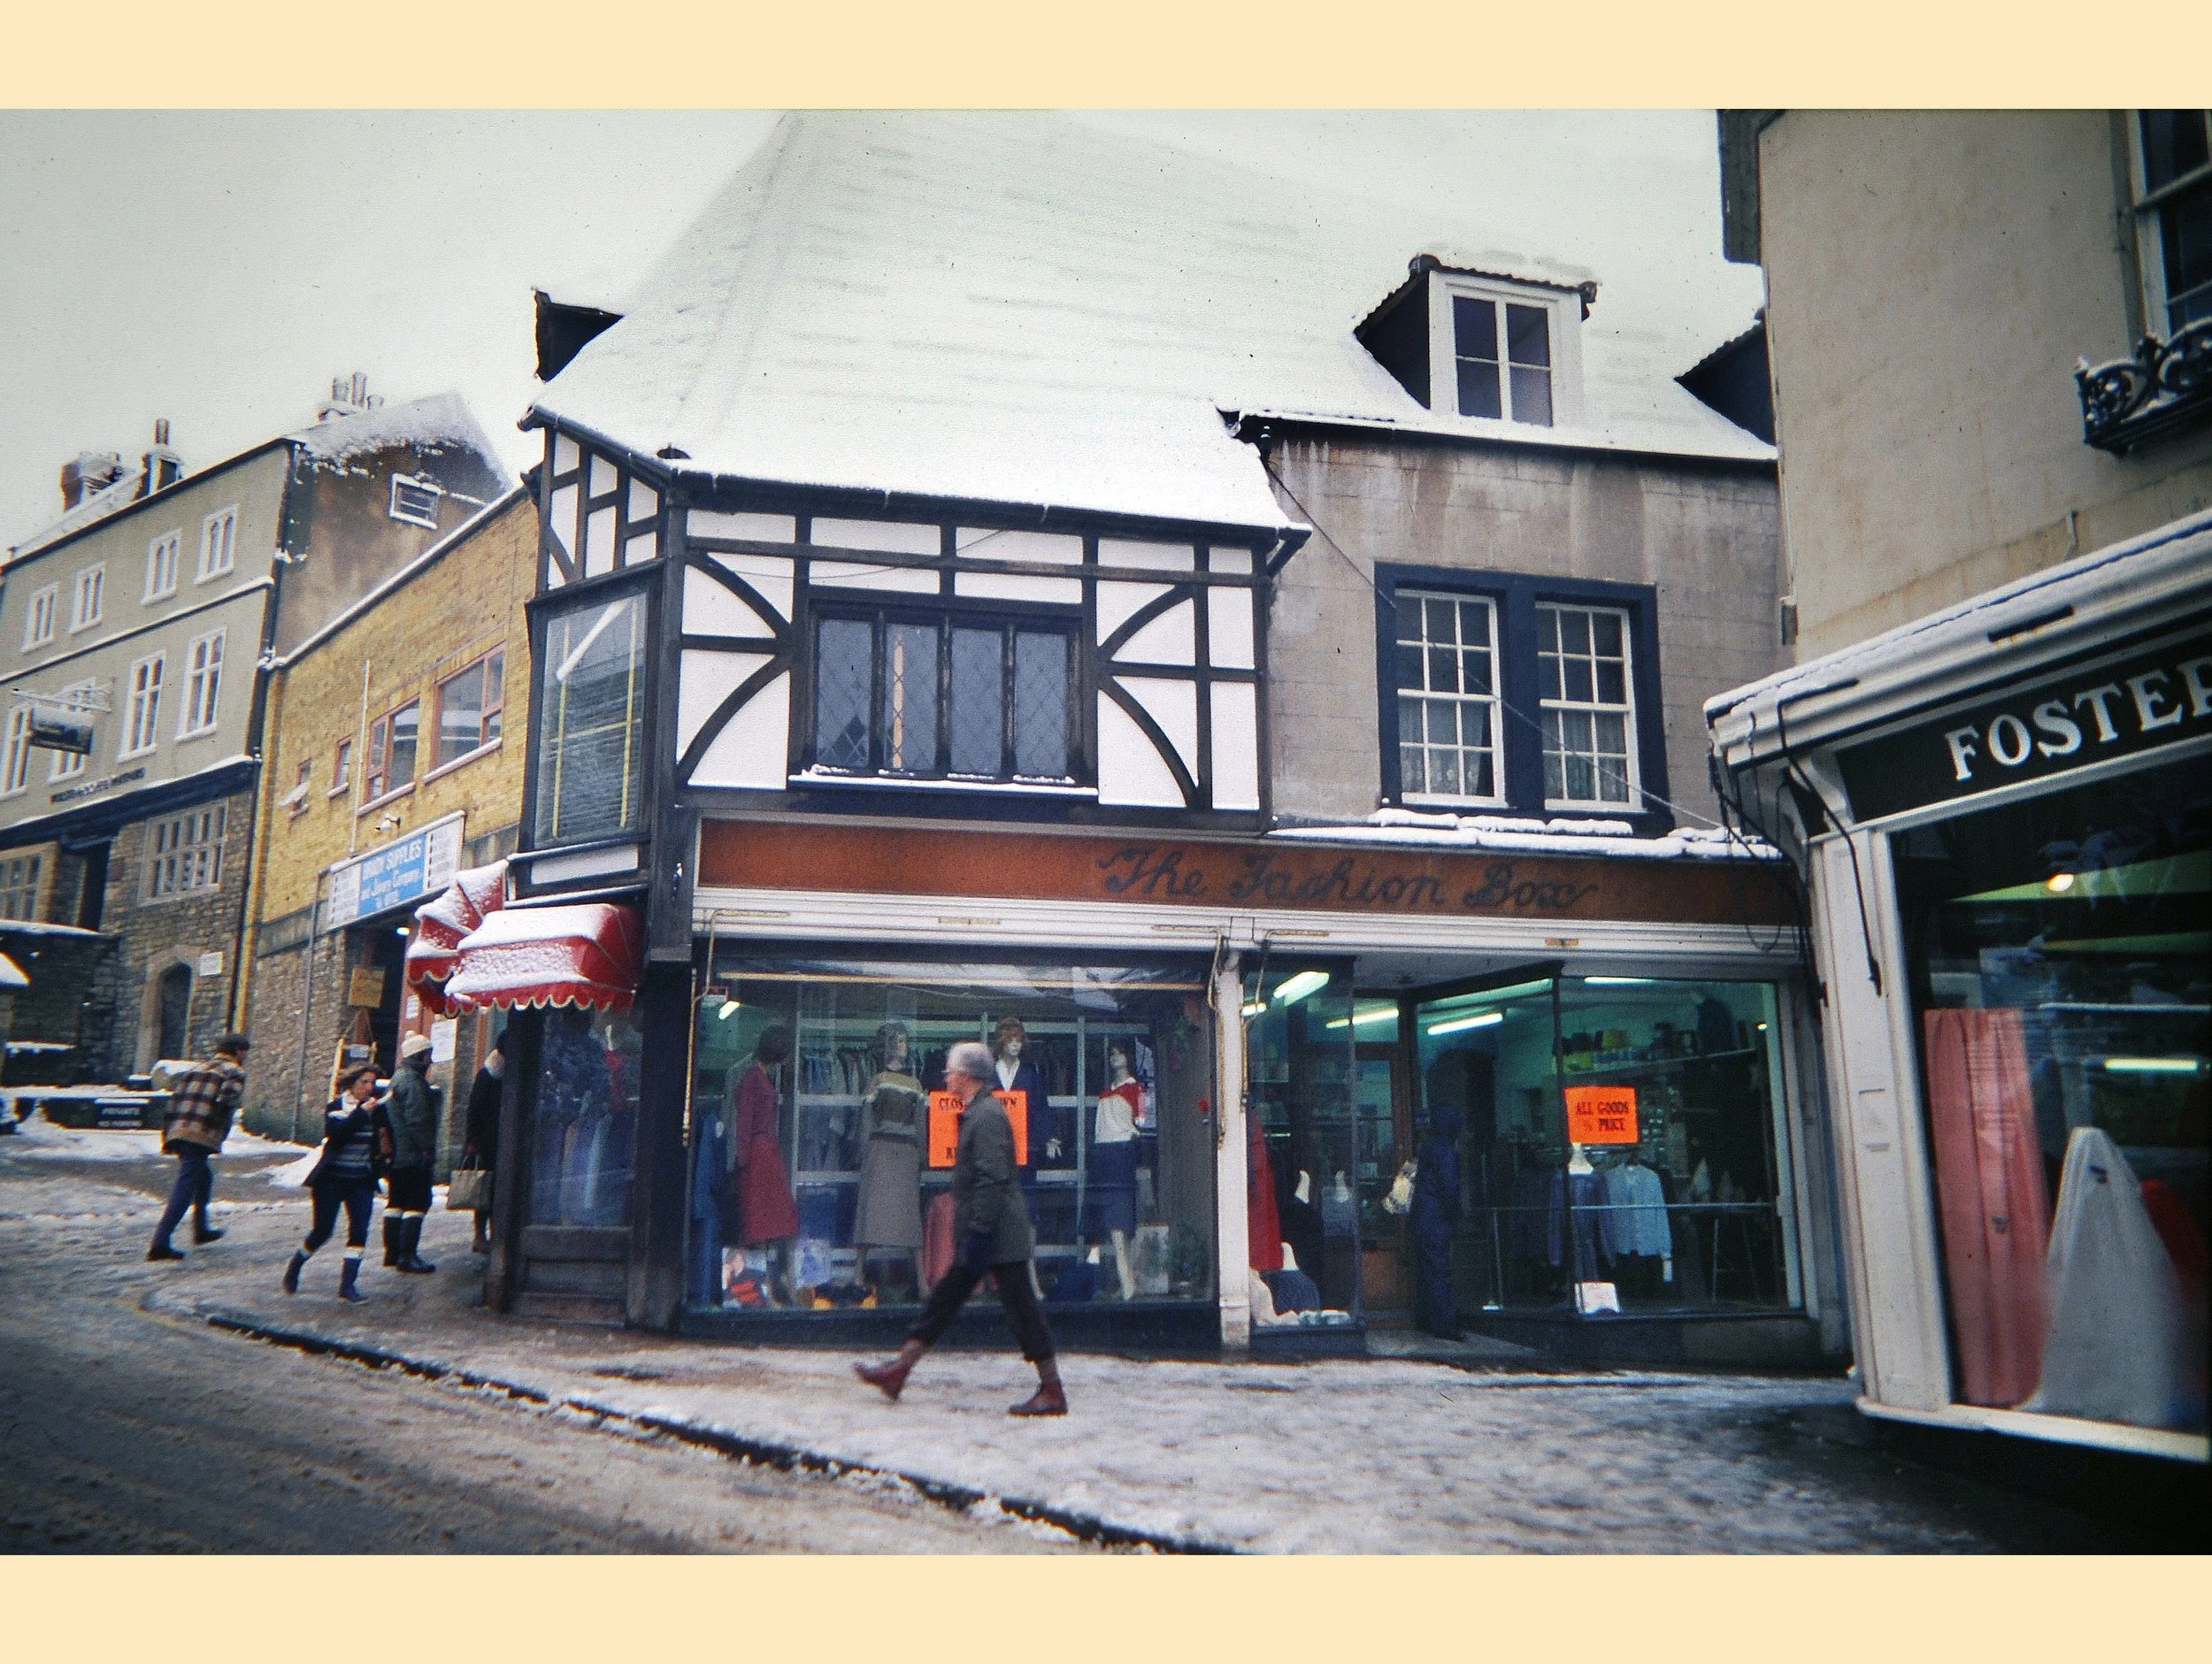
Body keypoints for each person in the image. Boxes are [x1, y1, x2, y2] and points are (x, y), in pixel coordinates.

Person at [855, 1039, 1066, 1415]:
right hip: (989, 1233)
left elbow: (992, 1178)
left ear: (966, 1075)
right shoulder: (980, 1111)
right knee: (945, 1301)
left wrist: (980, 1233)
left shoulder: (987, 1117)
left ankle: (1052, 1390)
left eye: (951, 1070)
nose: (946, 1076)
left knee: (1021, 1310)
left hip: (997, 1235)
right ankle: (900, 1369)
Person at [283, 1064, 389, 1302]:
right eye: (364, 1082)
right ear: (351, 1084)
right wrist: (361, 1114)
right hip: (331, 1179)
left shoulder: (377, 1109)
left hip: (361, 1179)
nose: (369, 1087)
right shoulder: (336, 1108)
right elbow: (338, 1137)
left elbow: (383, 1139)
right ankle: (296, 1264)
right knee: (323, 1231)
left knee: (360, 1230)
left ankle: (348, 1285)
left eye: (373, 1082)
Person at [147, 1033, 250, 1261]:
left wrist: (169, 1134)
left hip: (178, 1129)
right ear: (238, 1051)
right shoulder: (234, 1071)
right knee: (186, 1185)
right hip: (202, 1131)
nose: (245, 1057)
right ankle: (160, 1242)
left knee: (204, 1176)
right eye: (245, 1052)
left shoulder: (197, 1068)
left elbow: (175, 1100)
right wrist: (220, 1128)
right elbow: (228, 1100)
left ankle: (201, 1229)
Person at [729, 1025, 801, 1303]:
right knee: (763, 1222)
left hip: (765, 1154)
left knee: (775, 1221)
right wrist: (743, 1162)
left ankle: (771, 1284)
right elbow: (744, 1124)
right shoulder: (754, 1079)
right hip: (759, 1156)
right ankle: (764, 1287)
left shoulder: (758, 1077)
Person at [383, 1031, 442, 1275]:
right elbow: (418, 1120)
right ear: (419, 1056)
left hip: (398, 1155)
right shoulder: (414, 1083)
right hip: (412, 1154)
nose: (430, 1060)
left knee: (396, 1202)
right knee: (417, 1202)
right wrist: (427, 1148)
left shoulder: (398, 1078)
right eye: (428, 1054)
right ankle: (407, 1255)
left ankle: (393, 1252)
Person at [1410, 1104, 1463, 1338]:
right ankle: (1445, 1325)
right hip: (1437, 1219)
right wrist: (1456, 1215)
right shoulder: (1445, 1150)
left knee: (1427, 1270)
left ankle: (1428, 1320)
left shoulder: (1429, 1147)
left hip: (1424, 1216)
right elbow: (1449, 1187)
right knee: (1439, 1270)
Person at [461, 1035, 504, 1254]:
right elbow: (474, 1109)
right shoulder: (490, 1074)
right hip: (486, 1142)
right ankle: (480, 1235)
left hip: (498, 1139)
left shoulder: (502, 1070)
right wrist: (472, 1140)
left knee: (496, 1188)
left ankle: (496, 1233)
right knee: (485, 1188)